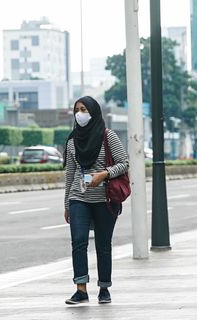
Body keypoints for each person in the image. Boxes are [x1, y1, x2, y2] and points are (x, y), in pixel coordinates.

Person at [63, 96, 129, 305]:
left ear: (94, 112)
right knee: (79, 241)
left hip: (104, 199)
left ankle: (104, 288)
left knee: (103, 245)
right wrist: (67, 203)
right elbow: (70, 174)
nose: (80, 114)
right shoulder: (72, 141)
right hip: (78, 197)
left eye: (84, 109)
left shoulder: (108, 137)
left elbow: (124, 163)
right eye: (77, 110)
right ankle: (81, 289)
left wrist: (104, 174)